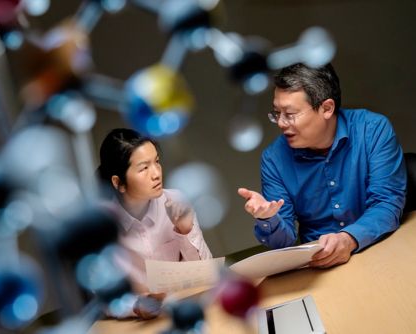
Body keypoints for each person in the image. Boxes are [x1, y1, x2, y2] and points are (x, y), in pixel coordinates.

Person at [238, 63, 406, 268]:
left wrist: (348, 239)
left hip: (379, 248)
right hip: (320, 263)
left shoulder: (373, 130)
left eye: (289, 114)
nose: (281, 123)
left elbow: (387, 203)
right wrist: (269, 218)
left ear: (327, 108)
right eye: (276, 113)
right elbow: (284, 244)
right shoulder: (274, 159)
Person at [97, 128, 212, 317]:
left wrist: (185, 230)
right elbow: (103, 297)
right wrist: (136, 307)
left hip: (185, 312)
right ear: (118, 183)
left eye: (157, 162)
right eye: (144, 168)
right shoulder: (102, 224)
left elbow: (205, 274)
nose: (156, 173)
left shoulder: (176, 201)